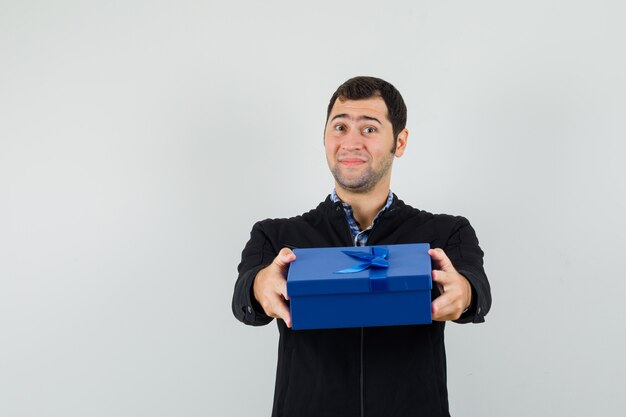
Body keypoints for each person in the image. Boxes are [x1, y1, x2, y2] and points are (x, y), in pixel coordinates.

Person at [232, 76, 491, 417]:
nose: (350, 142)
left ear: (400, 142)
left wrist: (466, 292)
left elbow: (476, 289)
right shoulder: (277, 237)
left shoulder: (446, 233)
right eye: (339, 127)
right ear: (325, 138)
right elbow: (243, 299)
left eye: (369, 129)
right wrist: (258, 285)